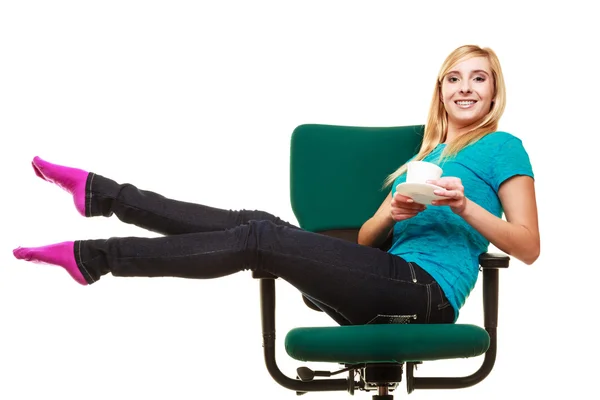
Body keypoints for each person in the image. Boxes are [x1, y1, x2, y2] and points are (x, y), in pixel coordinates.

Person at [12, 44, 540, 326]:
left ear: (494, 93)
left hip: (428, 296)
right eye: (454, 77)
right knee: (256, 224)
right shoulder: (425, 156)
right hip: (384, 275)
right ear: (441, 90)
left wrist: (467, 205)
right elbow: (365, 242)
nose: (465, 88)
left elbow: (529, 247)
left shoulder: (503, 147)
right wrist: (390, 214)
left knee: (260, 242)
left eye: (478, 78)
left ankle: (94, 257)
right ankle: (104, 196)